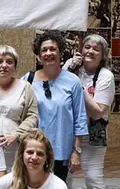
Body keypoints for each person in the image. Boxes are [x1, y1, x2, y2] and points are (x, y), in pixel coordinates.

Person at [64, 34, 116, 189]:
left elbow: (97, 110)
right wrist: (67, 72)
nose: (90, 52)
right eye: (87, 47)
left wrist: (76, 85)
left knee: (94, 180)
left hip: (93, 135)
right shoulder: (72, 70)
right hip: (67, 133)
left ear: (103, 55)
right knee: (63, 182)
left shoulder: (106, 76)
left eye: (96, 49)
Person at [23, 31, 87, 181]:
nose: (48, 53)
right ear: (38, 56)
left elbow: (80, 118)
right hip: (34, 151)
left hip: (61, 151)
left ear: (61, 52)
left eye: (53, 49)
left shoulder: (73, 82)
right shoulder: (28, 80)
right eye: (44, 50)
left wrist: (76, 151)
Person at [0, 45, 39, 170]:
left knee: (11, 181)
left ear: (15, 66)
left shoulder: (25, 87)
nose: (4, 65)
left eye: (9, 61)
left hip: (14, 145)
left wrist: (17, 135)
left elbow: (32, 115)